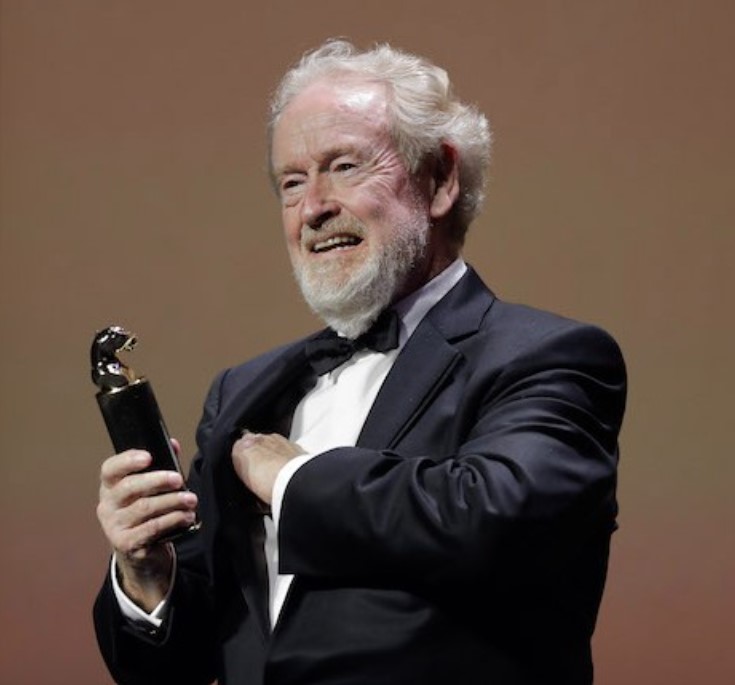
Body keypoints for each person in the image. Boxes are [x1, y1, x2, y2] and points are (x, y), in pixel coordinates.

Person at [93, 39, 627, 685]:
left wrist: (295, 482)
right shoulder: (243, 393)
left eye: (344, 166)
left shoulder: (547, 357)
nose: (313, 206)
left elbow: (493, 518)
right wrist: (147, 574)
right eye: (292, 182)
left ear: (439, 179)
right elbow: (171, 664)